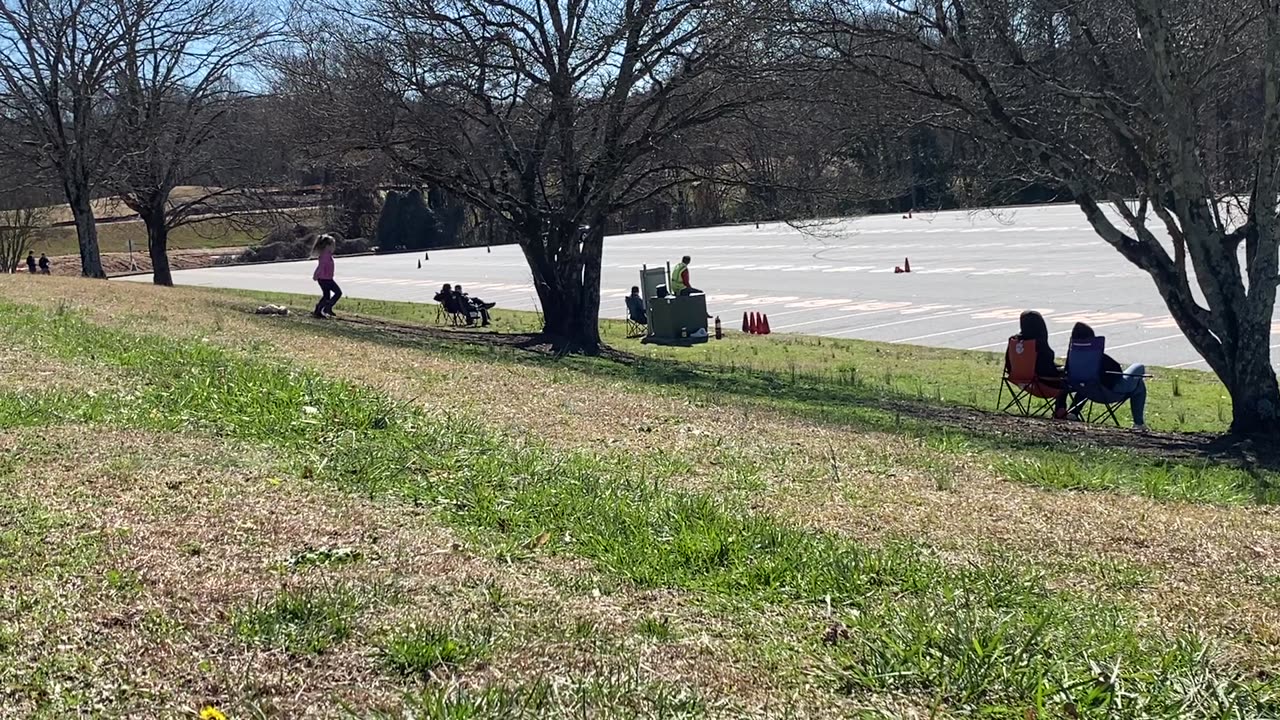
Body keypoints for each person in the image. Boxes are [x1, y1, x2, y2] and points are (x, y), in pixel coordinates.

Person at [1064, 322, 1149, 431]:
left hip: (1086, 390)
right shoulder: (1098, 358)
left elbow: (1067, 372)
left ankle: (1073, 412)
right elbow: (1117, 370)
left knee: (1086, 380)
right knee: (1139, 371)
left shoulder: (1072, 356)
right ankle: (1139, 423)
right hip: (1109, 393)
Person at [1009, 310, 1069, 414]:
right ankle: (1060, 409)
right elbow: (1047, 369)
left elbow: (1009, 362)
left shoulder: (1014, 341)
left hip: (1020, 379)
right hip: (1041, 382)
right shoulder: (1038, 344)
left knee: (1062, 371)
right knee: (1068, 378)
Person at [311, 234, 342, 319]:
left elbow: (320, 266)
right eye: (333, 245)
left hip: (325, 278)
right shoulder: (325, 255)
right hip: (325, 279)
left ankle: (318, 311)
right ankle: (327, 308)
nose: (334, 247)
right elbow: (321, 266)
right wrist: (316, 275)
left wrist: (316, 274)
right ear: (327, 246)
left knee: (326, 296)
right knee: (338, 292)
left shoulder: (326, 254)